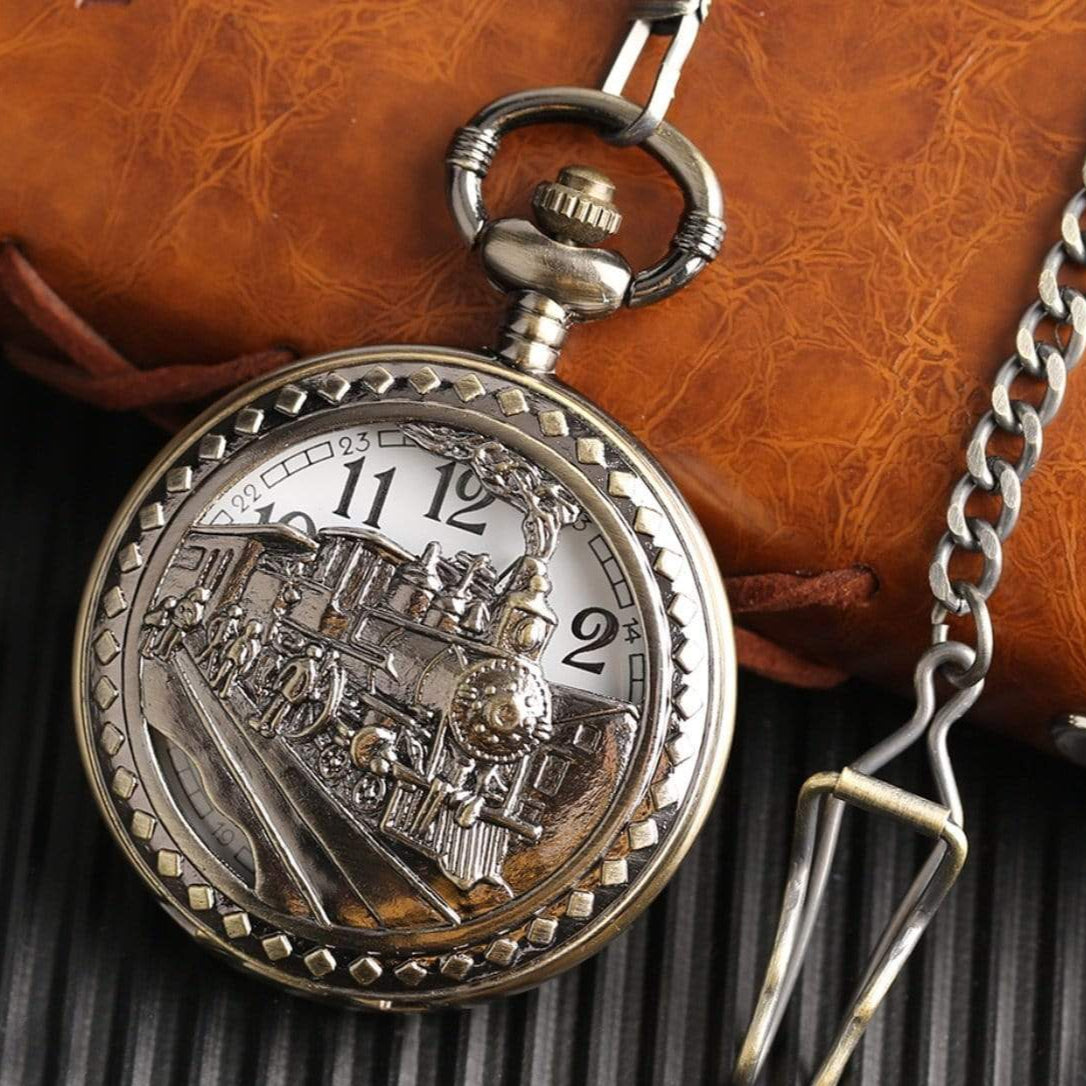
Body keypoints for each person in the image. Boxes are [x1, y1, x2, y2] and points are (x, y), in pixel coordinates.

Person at [250, 643, 323, 737]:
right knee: (283, 710)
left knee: (274, 706)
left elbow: (284, 672)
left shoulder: (299, 661)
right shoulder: (312, 669)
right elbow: (309, 685)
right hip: (294, 694)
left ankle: (262, 722)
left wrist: (277, 683)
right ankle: (272, 728)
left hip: (286, 689)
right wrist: (301, 696)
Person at [154, 586, 209, 659]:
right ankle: (161, 649)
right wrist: (181, 616)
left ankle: (166, 652)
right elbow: (178, 610)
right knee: (170, 633)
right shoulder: (187, 602)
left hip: (184, 626)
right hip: (179, 622)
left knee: (175, 636)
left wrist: (184, 618)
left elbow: (194, 621)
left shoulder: (197, 607)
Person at [212, 619, 264, 698]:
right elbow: (232, 644)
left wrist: (245, 667)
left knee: (231, 676)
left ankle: (225, 692)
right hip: (231, 656)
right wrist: (224, 652)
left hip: (239, 661)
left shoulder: (251, 643)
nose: (250, 631)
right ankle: (216, 682)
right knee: (224, 669)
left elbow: (251, 656)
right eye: (249, 628)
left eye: (252, 630)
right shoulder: (242, 637)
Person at [197, 603, 243, 670]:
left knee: (216, 654)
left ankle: (210, 667)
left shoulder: (233, 622)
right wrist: (209, 636)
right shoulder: (223, 619)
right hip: (217, 639)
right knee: (209, 650)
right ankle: (201, 661)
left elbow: (235, 634)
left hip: (223, 641)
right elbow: (212, 624)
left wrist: (231, 641)